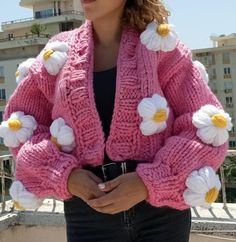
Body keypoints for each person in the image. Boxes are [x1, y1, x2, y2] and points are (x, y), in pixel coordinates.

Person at [0, 0, 232, 241]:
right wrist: (66, 175)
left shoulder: (160, 47)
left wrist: (148, 181)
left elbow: (204, 126)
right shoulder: (59, 54)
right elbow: (22, 125)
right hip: (88, 211)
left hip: (161, 215)